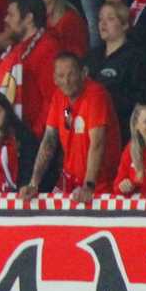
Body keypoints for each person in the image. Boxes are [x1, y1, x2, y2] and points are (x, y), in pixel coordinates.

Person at [28, 51, 116, 200]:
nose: (66, 81)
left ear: (83, 73)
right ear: (54, 79)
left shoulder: (96, 94)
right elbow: (49, 140)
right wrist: (33, 183)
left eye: (71, 74)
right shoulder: (59, 96)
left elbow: (97, 143)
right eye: (61, 76)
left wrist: (88, 186)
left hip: (98, 183)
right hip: (70, 180)